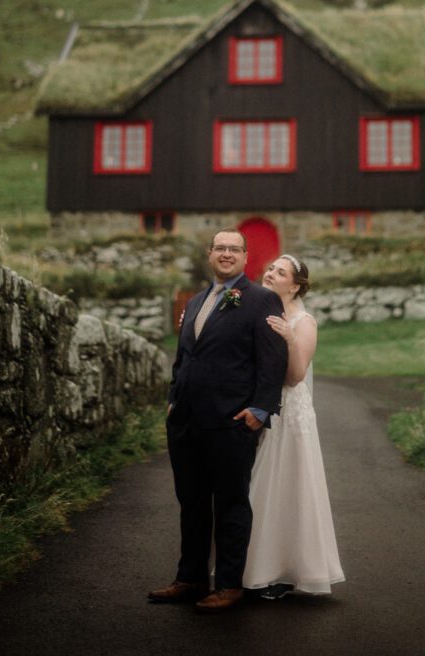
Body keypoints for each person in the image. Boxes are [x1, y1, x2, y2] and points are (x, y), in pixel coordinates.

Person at [148, 229, 287, 613]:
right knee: (191, 503)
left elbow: (272, 359)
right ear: (210, 254)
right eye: (220, 248)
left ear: (245, 257)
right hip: (186, 423)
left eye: (234, 249)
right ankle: (190, 578)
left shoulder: (262, 299)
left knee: (230, 504)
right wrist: (174, 400)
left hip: (232, 422)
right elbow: (185, 357)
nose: (226, 254)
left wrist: (260, 411)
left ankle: (228, 584)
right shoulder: (194, 302)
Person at [243, 254, 344, 599]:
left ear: (296, 285)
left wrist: (288, 337)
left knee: (286, 489)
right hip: (258, 409)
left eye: (280, 272)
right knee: (257, 486)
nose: (270, 273)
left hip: (291, 415)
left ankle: (284, 571)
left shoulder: (304, 321)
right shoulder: (258, 310)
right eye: (270, 268)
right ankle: (250, 568)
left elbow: (296, 375)